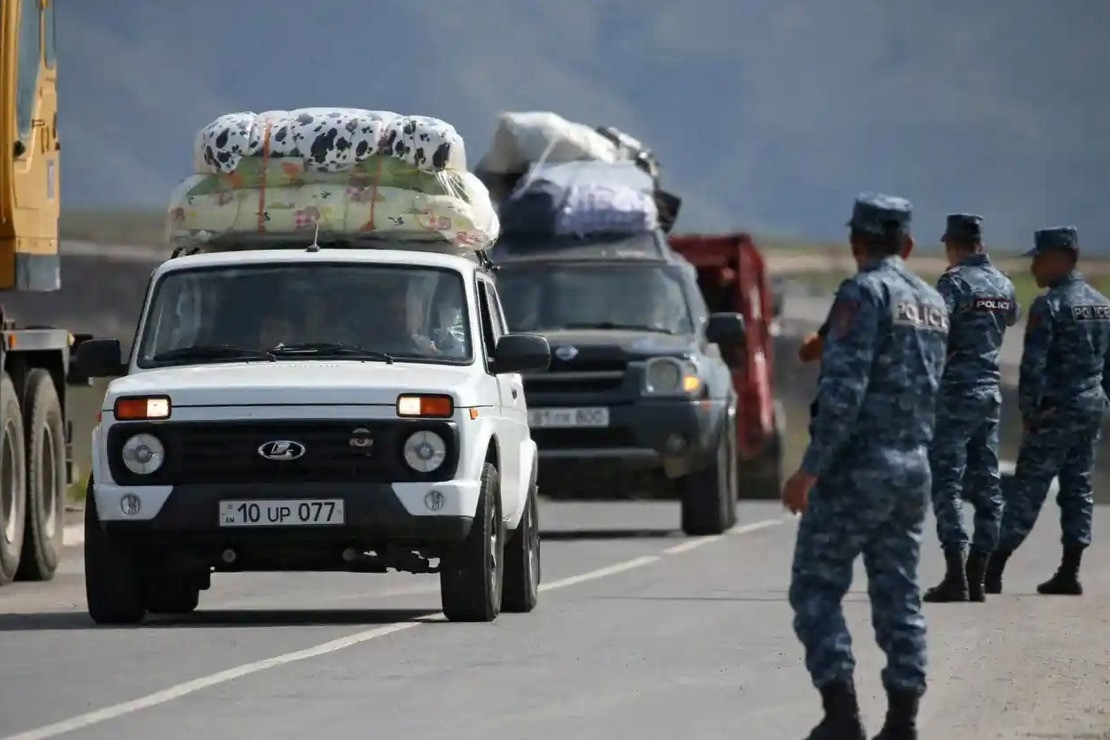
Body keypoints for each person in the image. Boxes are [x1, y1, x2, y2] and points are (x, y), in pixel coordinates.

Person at [782, 193, 948, 740]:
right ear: (908, 243)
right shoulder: (930, 302)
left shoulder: (864, 292)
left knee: (815, 587)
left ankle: (842, 717)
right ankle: (903, 722)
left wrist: (810, 469)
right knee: (898, 593)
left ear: (856, 241)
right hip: (912, 467)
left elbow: (845, 393)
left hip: (859, 466)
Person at [985, 226, 1110, 596]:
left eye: (1039, 259)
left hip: (1055, 410)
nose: (1034, 268)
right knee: (1078, 486)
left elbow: (1033, 367)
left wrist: (1029, 412)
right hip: (1090, 407)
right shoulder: (1102, 303)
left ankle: (992, 569)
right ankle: (1069, 571)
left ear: (1061, 259)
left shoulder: (1051, 305)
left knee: (1027, 488)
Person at [922, 214, 1019, 603]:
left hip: (956, 393)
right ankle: (977, 574)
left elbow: (932, 327)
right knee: (987, 483)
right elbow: (1010, 316)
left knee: (947, 480)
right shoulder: (1005, 283)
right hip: (989, 393)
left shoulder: (954, 282)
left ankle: (954, 575)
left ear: (953, 245)